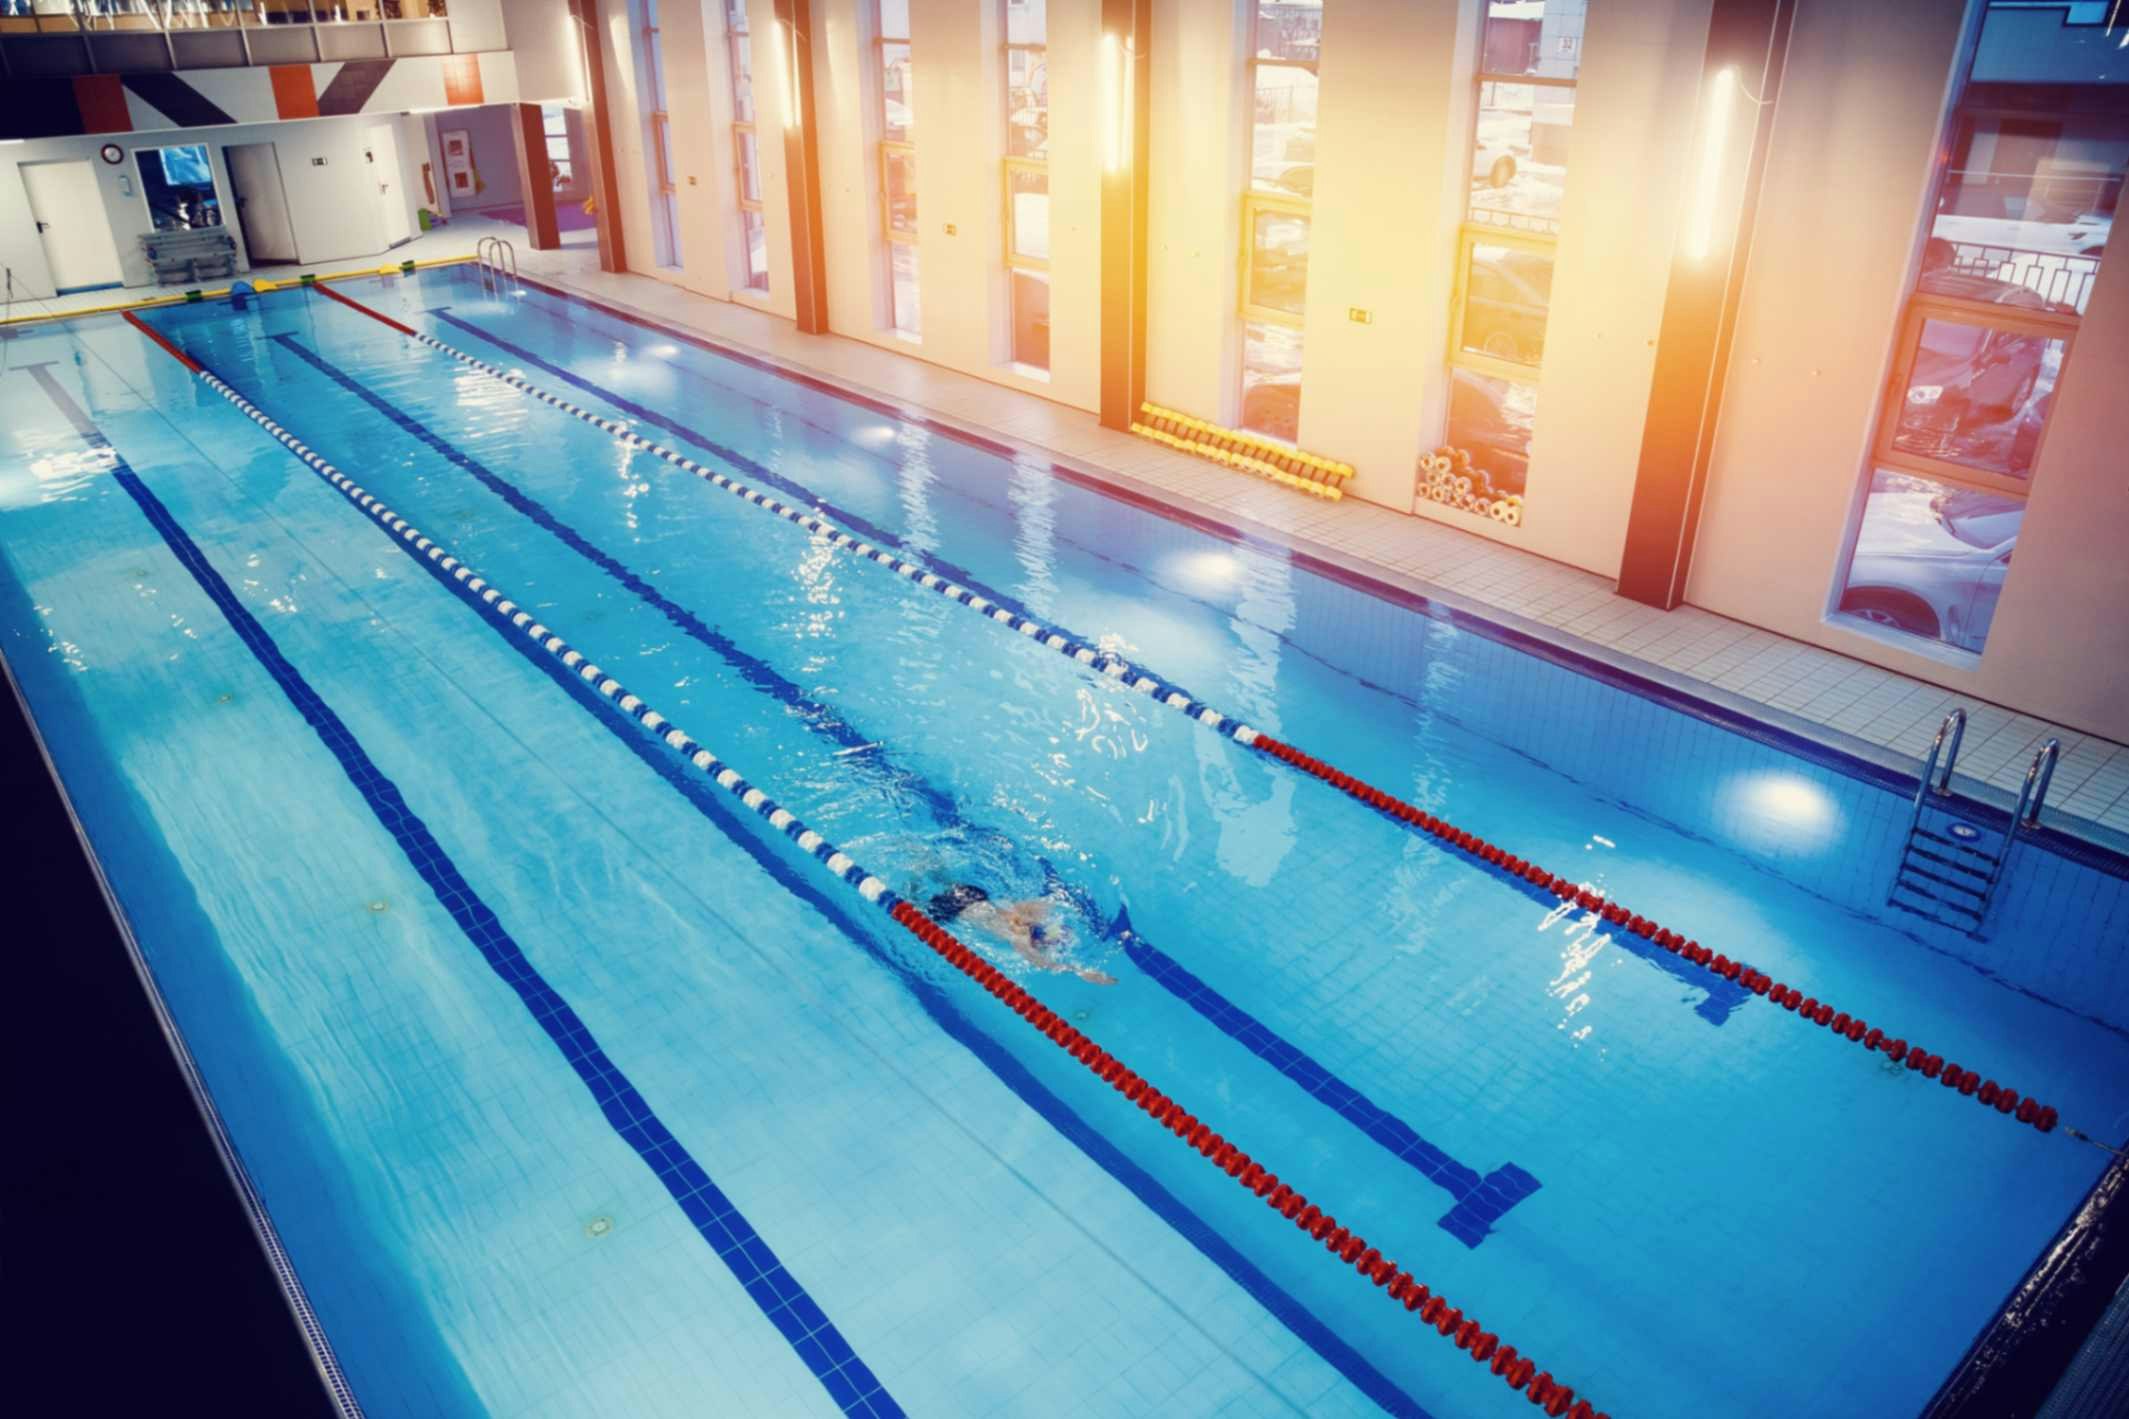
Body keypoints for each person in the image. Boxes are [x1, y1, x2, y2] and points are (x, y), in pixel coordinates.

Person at [927, 882, 1116, 985]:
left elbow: (1056, 899)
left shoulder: (1024, 910)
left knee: (944, 886)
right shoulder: (1018, 938)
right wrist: (1081, 972)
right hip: (965, 911)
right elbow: (1043, 963)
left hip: (975, 899)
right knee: (929, 907)